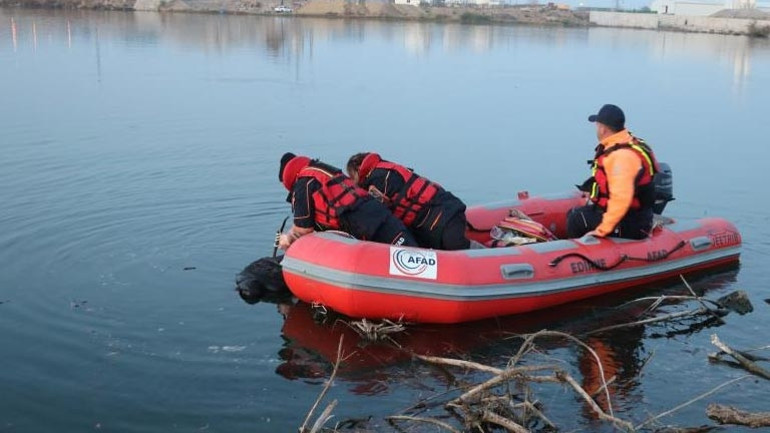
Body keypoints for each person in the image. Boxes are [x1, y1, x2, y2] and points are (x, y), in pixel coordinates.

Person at [277, 152, 418, 250]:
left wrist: (286, 239)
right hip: (383, 216)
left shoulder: (303, 184)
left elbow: (303, 229)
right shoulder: (326, 172)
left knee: (407, 264)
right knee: (415, 256)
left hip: (366, 227)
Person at [567, 104, 661, 240]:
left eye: (597, 125)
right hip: (635, 216)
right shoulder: (628, 142)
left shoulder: (621, 157)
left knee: (576, 219)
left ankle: (580, 258)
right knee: (575, 213)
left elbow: (621, 200)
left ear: (603, 129)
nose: (596, 129)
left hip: (629, 223)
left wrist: (602, 230)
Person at [346, 152, 471, 250]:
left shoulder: (377, 182)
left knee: (457, 248)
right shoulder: (386, 170)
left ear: (357, 170)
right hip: (436, 216)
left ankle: (487, 255)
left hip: (444, 215)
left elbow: (378, 213)